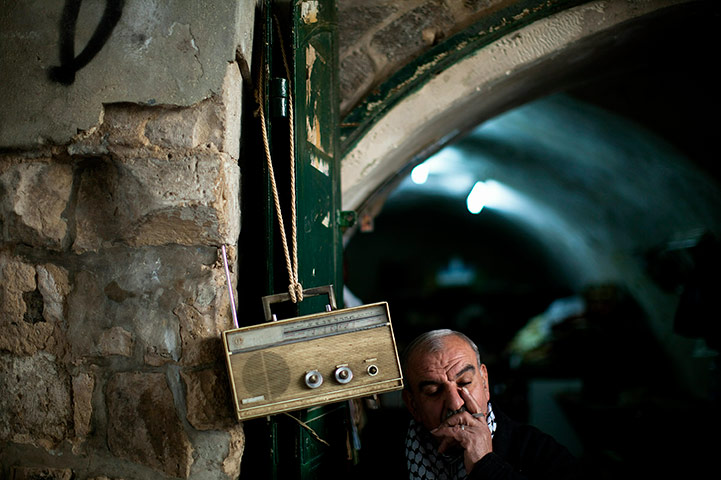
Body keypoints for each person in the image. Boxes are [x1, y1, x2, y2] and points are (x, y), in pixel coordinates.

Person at [401, 329, 580, 479]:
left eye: (464, 383)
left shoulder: (539, 452)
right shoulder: (382, 456)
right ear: (412, 404)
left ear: (485, 382)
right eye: (434, 392)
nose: (455, 404)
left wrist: (485, 464)